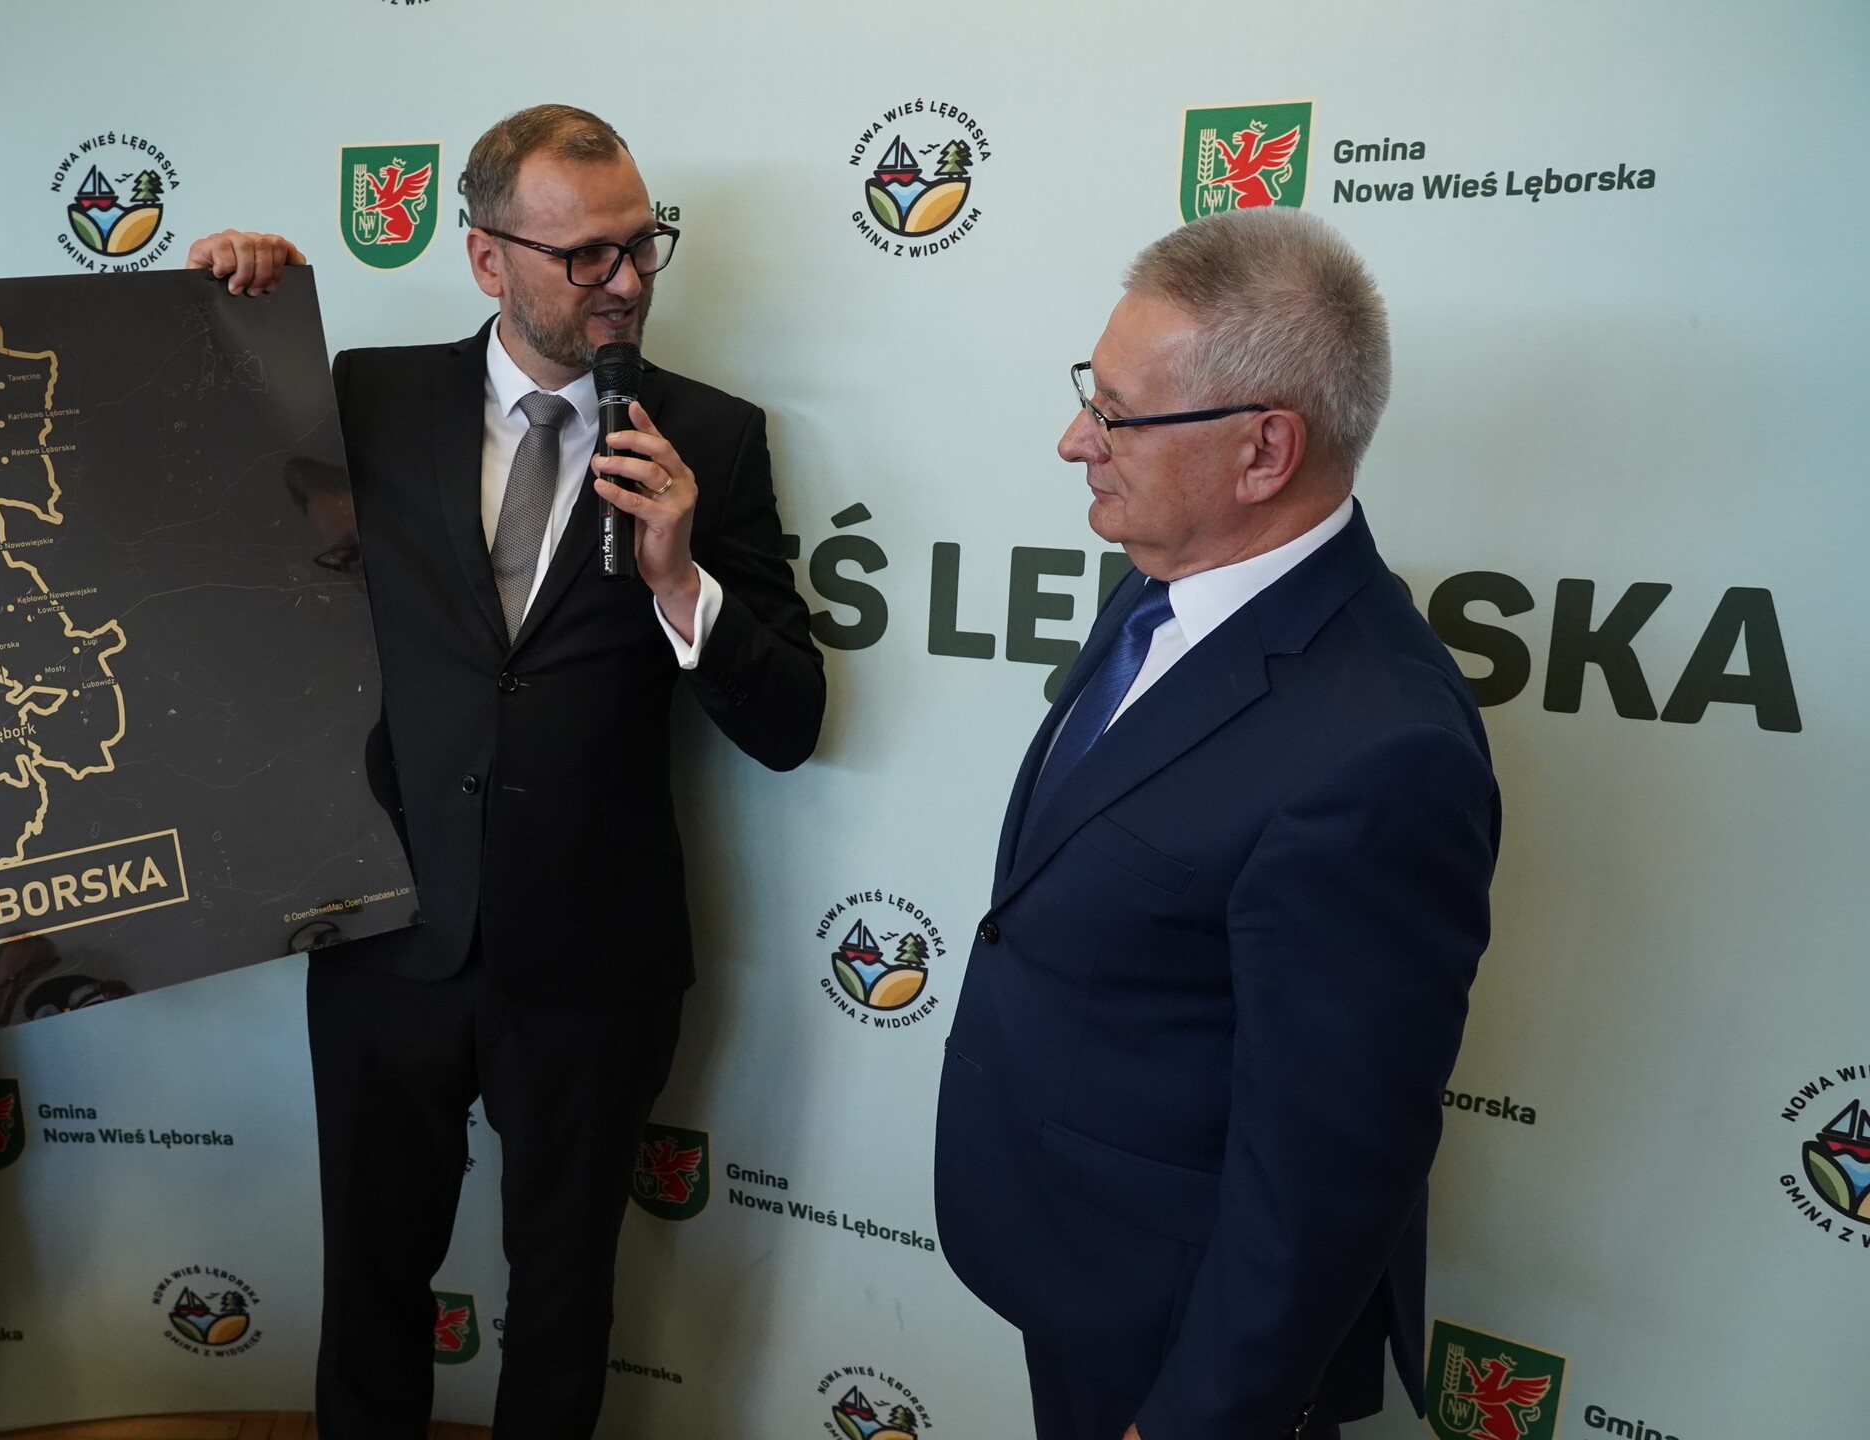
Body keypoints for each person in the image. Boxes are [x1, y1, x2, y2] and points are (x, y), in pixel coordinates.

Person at [187, 103, 824, 1437]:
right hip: (388, 933)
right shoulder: (365, 398)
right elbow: (191, 520)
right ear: (488, 259)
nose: (627, 281)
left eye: (641, 245)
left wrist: (680, 580)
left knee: (566, 1302)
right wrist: (223, 314)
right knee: (371, 1283)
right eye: (586, 254)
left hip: (595, 960)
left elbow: (788, 721)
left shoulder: (712, 436)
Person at [933, 208, 1500, 1440]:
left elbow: (1323, 1173)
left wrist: (1199, 1417)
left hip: (1178, 1343)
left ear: (1263, 451)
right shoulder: (1161, 582)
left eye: (1119, 415)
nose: (1075, 440)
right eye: (1089, 394)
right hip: (1078, 1270)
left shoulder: (1382, 753)